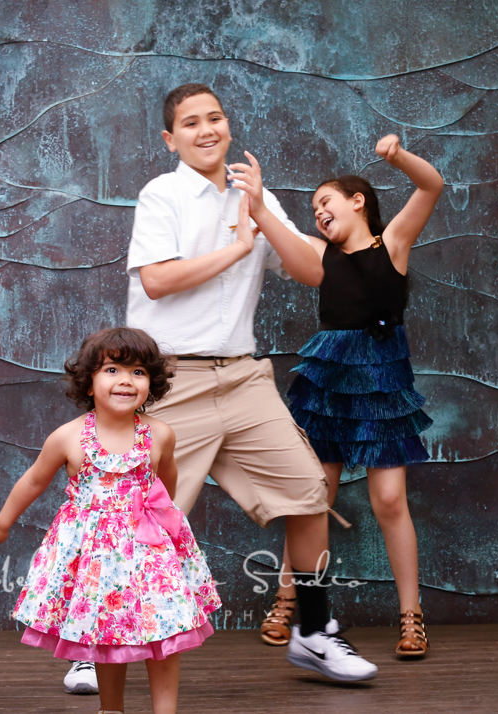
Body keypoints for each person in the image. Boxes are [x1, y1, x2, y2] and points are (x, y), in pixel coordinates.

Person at [124, 82, 378, 682]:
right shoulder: (160, 195)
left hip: (242, 378)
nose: (206, 130)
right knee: (140, 516)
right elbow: (158, 282)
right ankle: (95, 641)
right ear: (171, 139)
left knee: (309, 489)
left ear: (229, 127)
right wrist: (242, 247)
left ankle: (313, 633)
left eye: (215, 118)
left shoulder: (251, 197)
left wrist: (261, 212)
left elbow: (316, 271)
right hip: (171, 382)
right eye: (191, 123)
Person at [0, 327, 221, 714]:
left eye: (139, 372)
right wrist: (3, 521)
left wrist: (164, 521)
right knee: (109, 635)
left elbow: (167, 482)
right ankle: (111, 709)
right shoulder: (69, 437)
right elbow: (34, 479)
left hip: (151, 550)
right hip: (96, 555)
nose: (126, 380)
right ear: (89, 382)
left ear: (152, 384)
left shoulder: (160, 434)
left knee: (165, 629)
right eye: (112, 369)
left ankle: (167, 710)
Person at [274, 134, 443, 657]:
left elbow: (432, 184)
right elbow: (274, 235)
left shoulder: (392, 243)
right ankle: (288, 604)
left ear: (357, 201)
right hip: (328, 383)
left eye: (325, 201)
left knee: (389, 500)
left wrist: (396, 156)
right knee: (313, 498)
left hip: (383, 380)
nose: (319, 212)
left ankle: (411, 618)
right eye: (313, 209)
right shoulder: (319, 252)